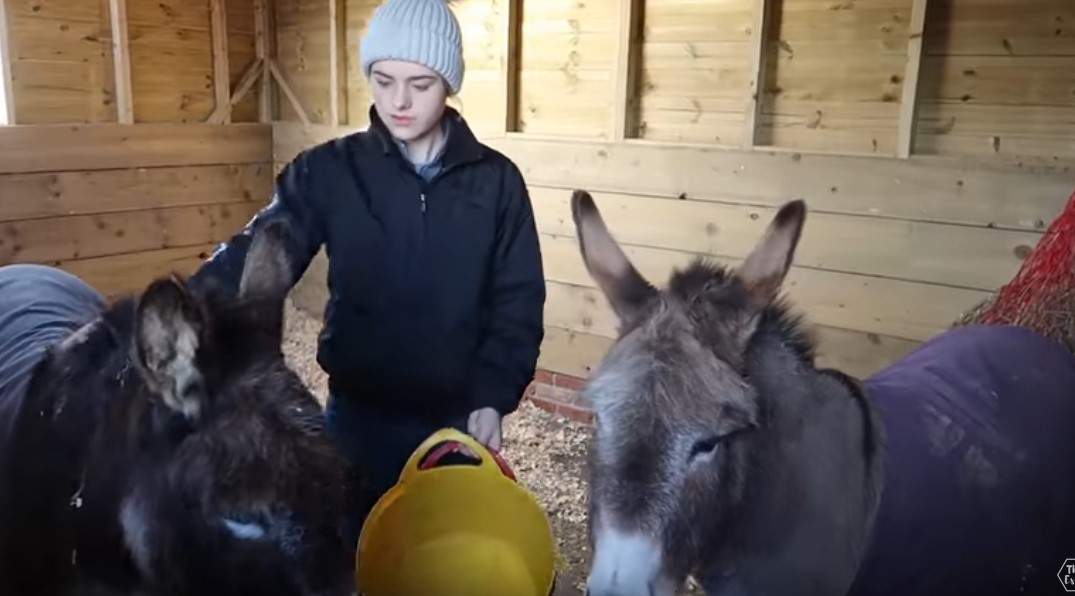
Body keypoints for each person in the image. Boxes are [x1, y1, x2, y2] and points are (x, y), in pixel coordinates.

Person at [187, 0, 546, 547]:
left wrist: (494, 394)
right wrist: (182, 313)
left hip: (456, 423)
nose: (398, 101)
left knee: (439, 558)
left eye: (420, 84)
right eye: (383, 80)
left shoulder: (497, 184)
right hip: (356, 419)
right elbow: (256, 255)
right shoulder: (328, 171)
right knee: (345, 549)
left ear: (448, 82)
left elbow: (518, 300)